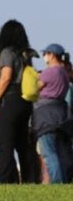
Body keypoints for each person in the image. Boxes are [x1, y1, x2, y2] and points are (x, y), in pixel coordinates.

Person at [0, 19, 34, 184]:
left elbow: (6, 77)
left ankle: (6, 180)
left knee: (6, 142)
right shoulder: (25, 54)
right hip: (25, 100)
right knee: (22, 142)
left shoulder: (7, 52)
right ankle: (30, 179)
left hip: (11, 98)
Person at [33, 43, 72, 183]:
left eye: (45, 54)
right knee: (61, 151)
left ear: (52, 55)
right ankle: (64, 180)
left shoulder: (49, 71)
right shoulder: (64, 73)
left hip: (46, 115)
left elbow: (35, 88)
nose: (44, 57)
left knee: (49, 152)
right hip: (61, 114)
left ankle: (57, 182)